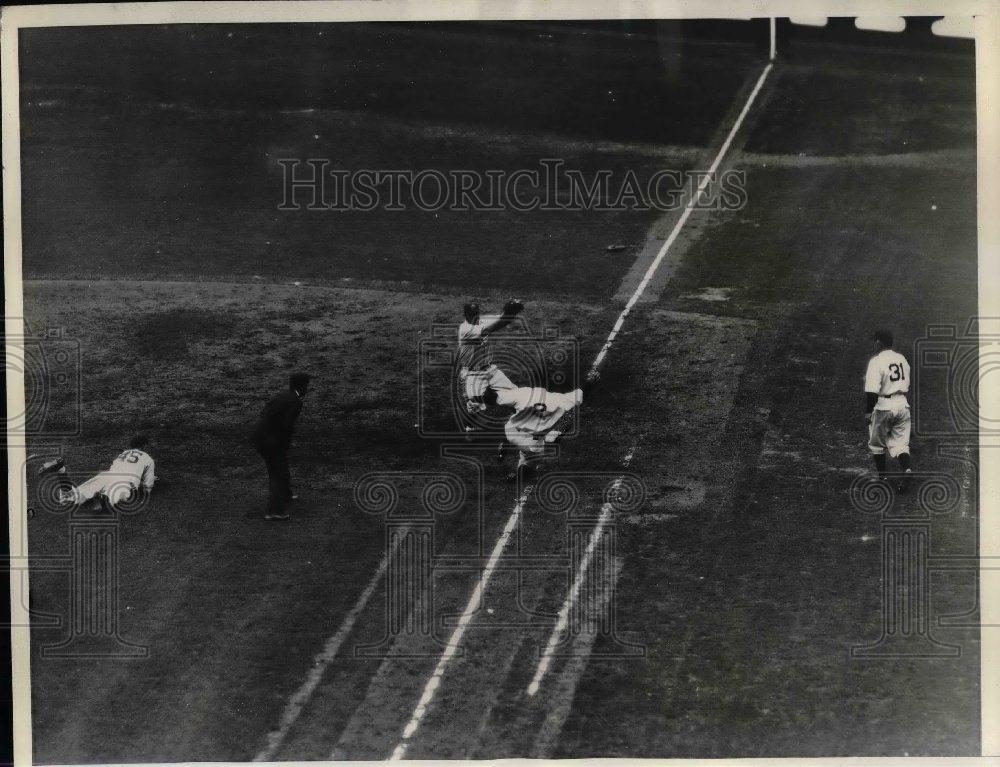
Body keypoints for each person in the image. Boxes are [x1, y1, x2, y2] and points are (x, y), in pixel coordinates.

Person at [253, 372, 310, 521]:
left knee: (281, 465)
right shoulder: (296, 401)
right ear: (302, 386)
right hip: (269, 440)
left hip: (261, 435)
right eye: (306, 386)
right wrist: (283, 443)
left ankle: (285, 494)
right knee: (277, 471)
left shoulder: (284, 396)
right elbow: (287, 426)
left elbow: (265, 411)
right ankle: (274, 511)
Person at [50, 434, 156, 512]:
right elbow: (148, 484)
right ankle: (102, 497)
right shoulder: (148, 459)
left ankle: (62, 472)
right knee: (116, 496)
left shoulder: (125, 453)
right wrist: (145, 493)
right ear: (144, 446)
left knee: (74, 495)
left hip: (107, 475)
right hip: (125, 481)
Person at [495, 385, 583, 477]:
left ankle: (504, 455)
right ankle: (520, 469)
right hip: (531, 442)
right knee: (534, 452)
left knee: (512, 431)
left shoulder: (528, 403)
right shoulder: (554, 404)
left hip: (518, 435)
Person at [864, 330, 913, 491]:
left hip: (884, 405)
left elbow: (872, 391)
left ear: (879, 343)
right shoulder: (902, 359)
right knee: (900, 444)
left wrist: (868, 412)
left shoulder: (876, 361)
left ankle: (882, 478)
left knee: (877, 444)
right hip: (903, 404)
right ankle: (906, 469)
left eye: (874, 342)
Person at [457, 300, 523, 417]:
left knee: (516, 393)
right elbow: (494, 327)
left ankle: (519, 417)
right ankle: (469, 427)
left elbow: (502, 319)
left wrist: (511, 312)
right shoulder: (465, 329)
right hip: (473, 373)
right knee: (474, 405)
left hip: (491, 370)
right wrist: (508, 311)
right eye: (472, 314)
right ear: (465, 315)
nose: (475, 317)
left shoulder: (483, 320)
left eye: (476, 313)